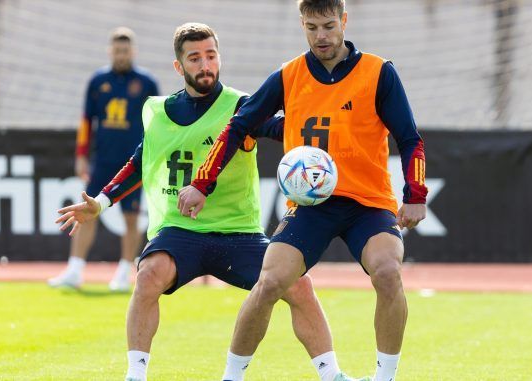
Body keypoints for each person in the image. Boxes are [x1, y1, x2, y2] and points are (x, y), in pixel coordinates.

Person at [56, 23, 359, 381]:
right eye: (195, 58)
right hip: (180, 231)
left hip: (239, 234)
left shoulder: (242, 106)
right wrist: (102, 202)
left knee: (298, 284)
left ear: (220, 58)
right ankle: (135, 375)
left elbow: (286, 129)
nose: (205, 65)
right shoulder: (159, 110)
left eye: (211, 56)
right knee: (149, 274)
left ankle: (332, 375)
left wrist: (332, 131)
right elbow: (141, 162)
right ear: (178, 66)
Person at [177, 1, 429, 380]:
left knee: (388, 271)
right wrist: (201, 183)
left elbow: (410, 138)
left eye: (328, 26)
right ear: (302, 24)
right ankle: (231, 376)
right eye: (311, 28)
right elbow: (238, 126)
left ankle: (385, 377)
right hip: (310, 205)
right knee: (270, 283)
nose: (321, 36)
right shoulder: (288, 75)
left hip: (368, 203)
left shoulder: (378, 72)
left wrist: (416, 193)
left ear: (343, 21)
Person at [49, 27, 159, 291]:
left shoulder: (147, 83)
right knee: (88, 210)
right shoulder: (98, 81)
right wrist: (82, 156)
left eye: (126, 50)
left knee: (131, 217)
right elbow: (86, 121)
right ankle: (75, 269)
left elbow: (157, 122)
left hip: (134, 161)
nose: (121, 55)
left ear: (133, 52)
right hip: (104, 160)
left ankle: (124, 272)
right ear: (111, 51)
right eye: (117, 50)